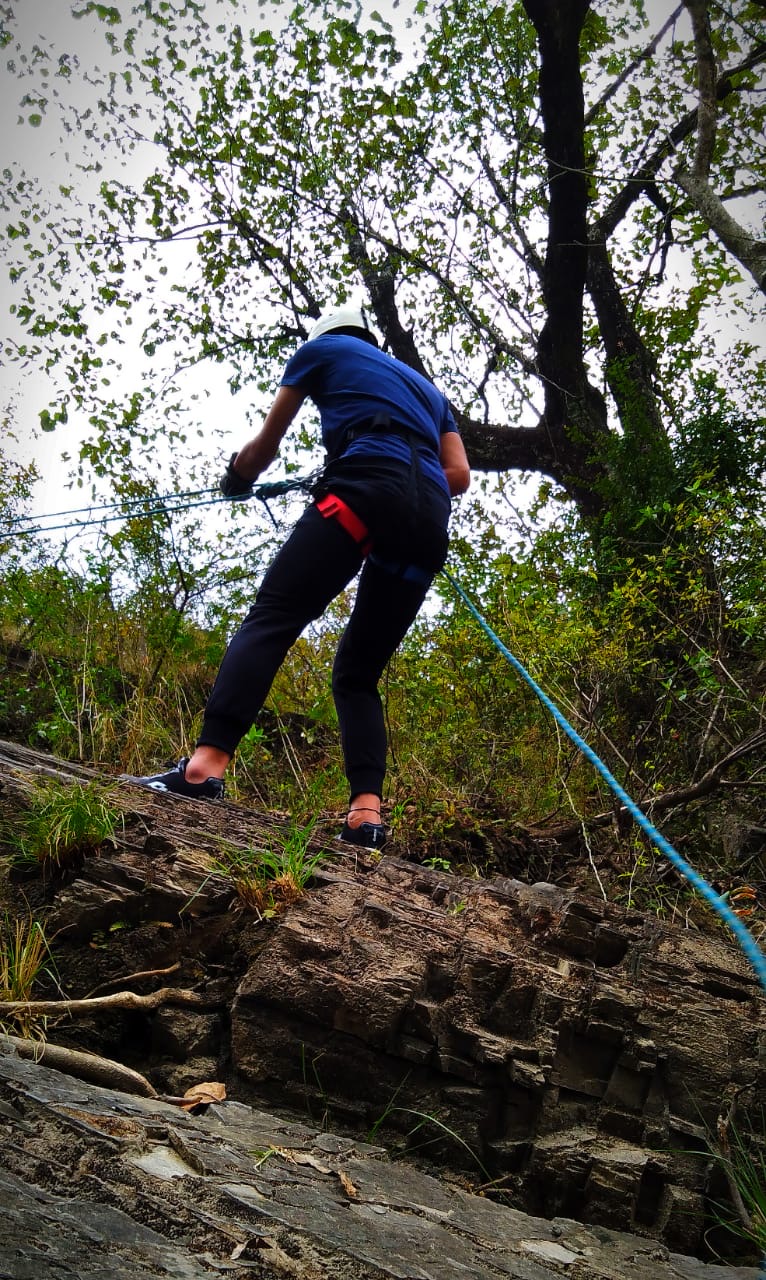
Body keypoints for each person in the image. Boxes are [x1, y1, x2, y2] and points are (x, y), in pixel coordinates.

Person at [126, 305, 470, 846]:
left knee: (274, 618)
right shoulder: (429, 392)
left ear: (326, 335)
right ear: (371, 336)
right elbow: (460, 475)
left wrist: (236, 477)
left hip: (359, 490)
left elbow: (264, 449)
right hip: (427, 519)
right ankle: (366, 815)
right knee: (359, 675)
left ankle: (203, 769)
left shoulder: (322, 351)